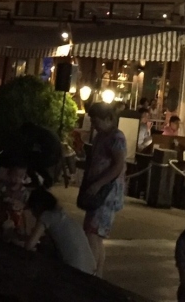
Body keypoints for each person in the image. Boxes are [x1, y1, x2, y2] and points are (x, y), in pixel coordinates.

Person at [79, 102, 127, 275]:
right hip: (98, 191)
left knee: (93, 233)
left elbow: (118, 165)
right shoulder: (101, 136)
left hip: (107, 193)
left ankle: (92, 272)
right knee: (95, 235)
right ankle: (96, 273)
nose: (93, 124)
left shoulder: (116, 137)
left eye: (96, 120)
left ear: (107, 119)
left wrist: (99, 183)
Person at [25, 187, 95, 273]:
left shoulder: (47, 216)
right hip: (90, 268)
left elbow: (29, 245)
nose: (32, 214)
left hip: (76, 271)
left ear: (37, 207)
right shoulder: (62, 215)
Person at [0, 154, 31, 241]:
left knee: (15, 241)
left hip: (18, 224)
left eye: (21, 176)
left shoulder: (25, 193)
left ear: (24, 177)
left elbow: (29, 207)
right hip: (2, 223)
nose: (17, 179)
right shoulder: (3, 190)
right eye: (14, 175)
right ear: (8, 174)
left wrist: (21, 206)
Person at [12, 119, 63, 190]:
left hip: (51, 155)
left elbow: (28, 146)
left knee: (29, 160)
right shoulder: (42, 130)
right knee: (36, 162)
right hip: (55, 155)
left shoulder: (34, 132)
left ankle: (36, 180)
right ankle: (47, 180)